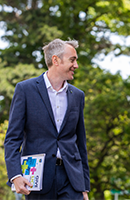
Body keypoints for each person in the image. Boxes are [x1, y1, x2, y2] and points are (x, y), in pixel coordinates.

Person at [4, 38, 90, 200]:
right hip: (37, 180)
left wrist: (84, 186)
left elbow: (80, 143)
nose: (76, 65)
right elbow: (12, 139)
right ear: (55, 60)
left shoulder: (78, 96)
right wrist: (15, 175)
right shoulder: (25, 90)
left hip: (71, 180)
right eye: (72, 60)